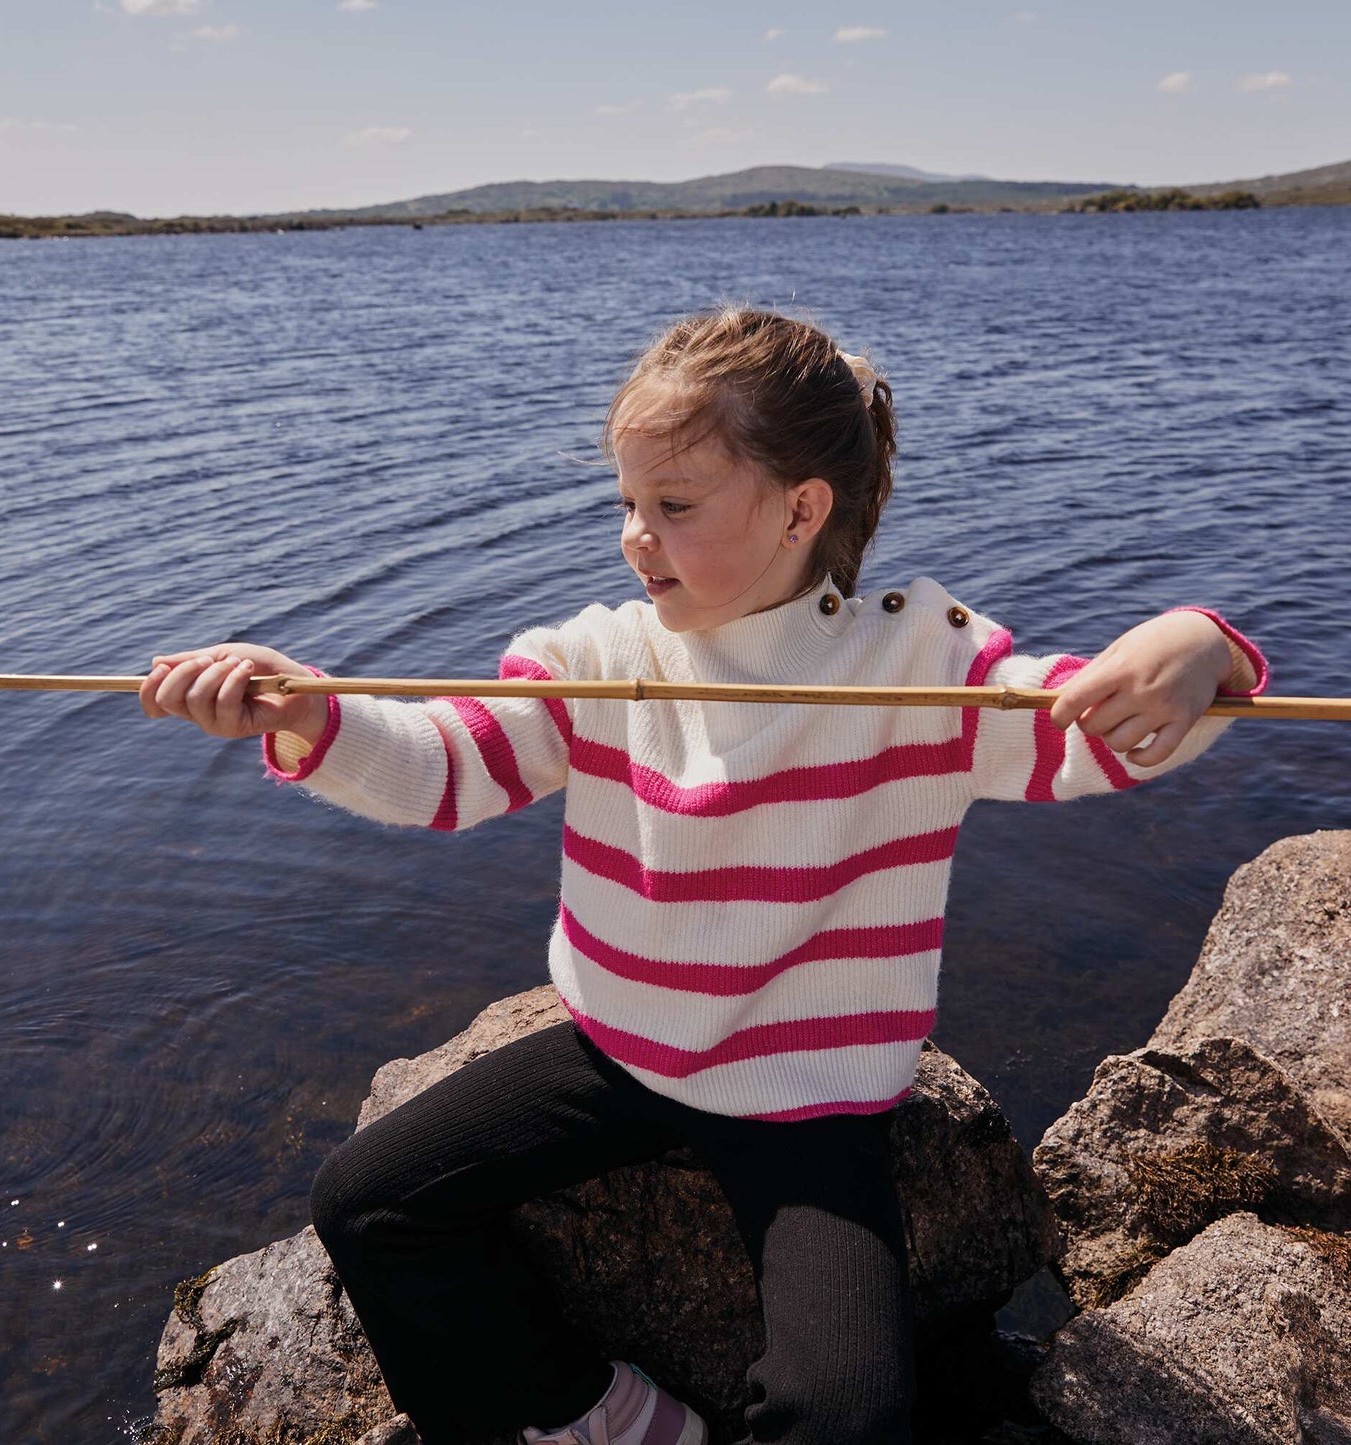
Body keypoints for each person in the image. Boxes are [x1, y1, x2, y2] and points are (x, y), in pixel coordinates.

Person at [140, 306, 1268, 1445]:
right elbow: (447, 771)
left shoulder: (918, 664)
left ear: (799, 508)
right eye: (628, 504)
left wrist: (1198, 646)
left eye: (674, 507)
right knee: (368, 1201)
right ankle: (602, 1417)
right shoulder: (597, 658)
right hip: (616, 1048)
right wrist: (313, 715)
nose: (637, 536)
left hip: (808, 1090)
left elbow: (1092, 737)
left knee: (848, 1414)